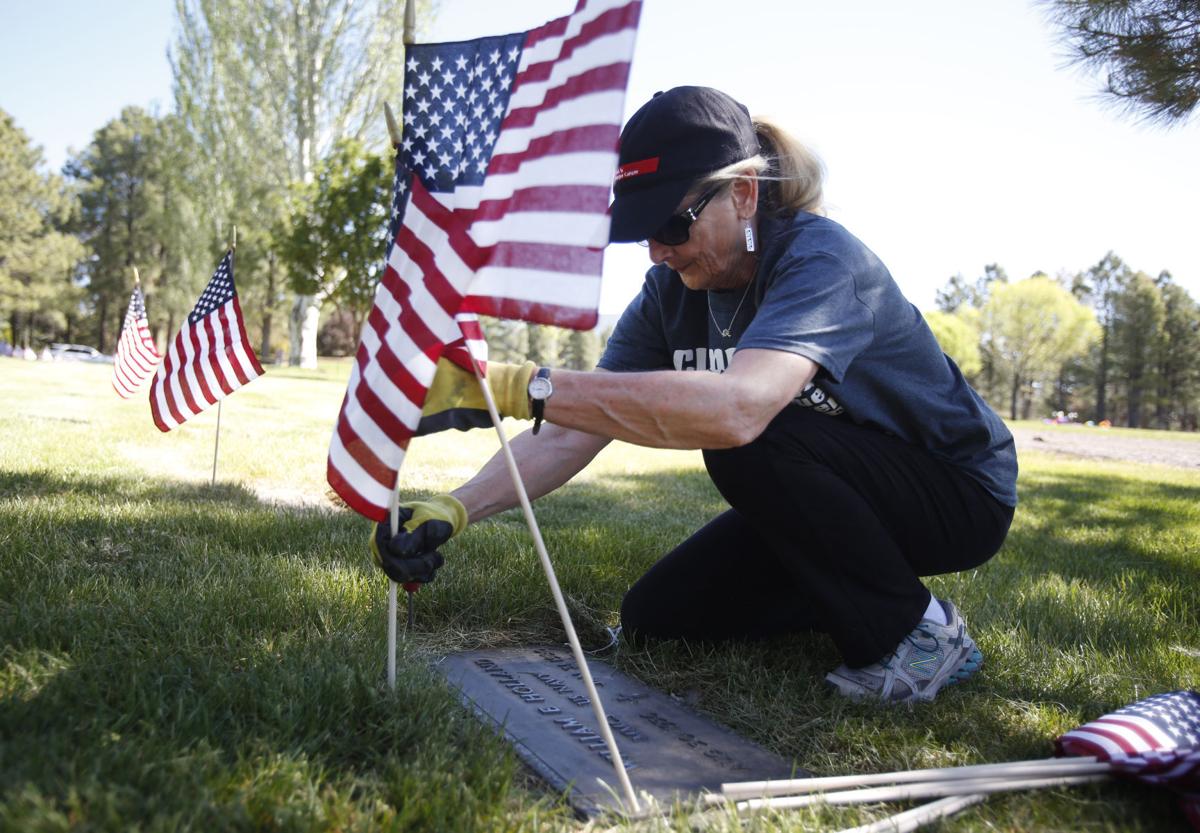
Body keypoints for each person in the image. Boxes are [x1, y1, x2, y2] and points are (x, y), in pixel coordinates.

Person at [371, 86, 1017, 704]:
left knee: (742, 439)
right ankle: (840, 593)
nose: (656, 252)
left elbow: (738, 410)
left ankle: (920, 633)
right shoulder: (669, 293)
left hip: (957, 491)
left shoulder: (822, 261)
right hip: (839, 492)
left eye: (672, 226)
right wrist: (454, 509)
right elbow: (573, 428)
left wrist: (520, 386)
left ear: (741, 194)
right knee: (655, 618)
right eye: (640, 232)